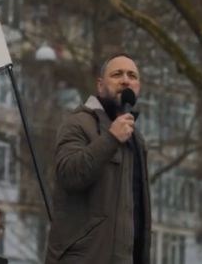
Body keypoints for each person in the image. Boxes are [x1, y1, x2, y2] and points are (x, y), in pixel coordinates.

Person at [45, 53, 151, 264]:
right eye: (117, 74)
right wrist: (111, 138)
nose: (125, 80)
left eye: (132, 75)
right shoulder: (78, 123)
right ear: (100, 85)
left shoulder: (137, 140)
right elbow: (69, 174)